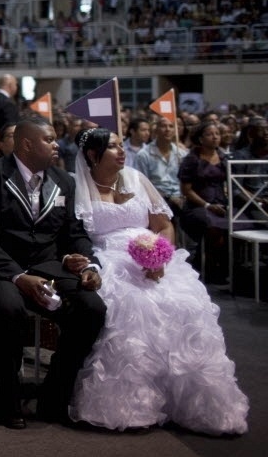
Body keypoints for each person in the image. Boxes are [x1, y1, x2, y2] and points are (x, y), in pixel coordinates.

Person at [69, 128, 249, 434]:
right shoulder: (77, 186)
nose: (122, 151)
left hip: (153, 256)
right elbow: (73, 236)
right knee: (133, 309)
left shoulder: (138, 179)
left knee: (186, 305)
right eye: (112, 147)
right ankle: (135, 405)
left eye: (121, 145)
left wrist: (159, 258)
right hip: (109, 258)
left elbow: (164, 225)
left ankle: (194, 405)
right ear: (92, 155)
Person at [0, 116, 105, 428]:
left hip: (48, 266)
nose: (57, 144)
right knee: (8, 306)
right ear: (27, 143)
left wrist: (87, 262)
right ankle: (8, 398)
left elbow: (75, 233)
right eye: (49, 139)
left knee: (92, 307)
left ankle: (54, 396)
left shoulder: (63, 181)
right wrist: (18, 276)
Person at [177, 121, 230, 284]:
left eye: (217, 134)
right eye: (209, 134)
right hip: (197, 206)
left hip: (221, 203)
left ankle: (214, 265)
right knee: (213, 228)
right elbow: (186, 190)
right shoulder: (192, 159)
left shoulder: (224, 158)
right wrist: (207, 205)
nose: (215, 137)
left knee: (238, 224)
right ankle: (212, 269)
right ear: (200, 139)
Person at [135, 115, 186, 217]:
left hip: (180, 197)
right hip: (156, 198)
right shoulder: (144, 154)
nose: (167, 129)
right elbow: (143, 185)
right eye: (163, 126)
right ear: (156, 130)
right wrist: (168, 197)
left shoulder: (182, 154)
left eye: (171, 126)